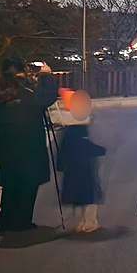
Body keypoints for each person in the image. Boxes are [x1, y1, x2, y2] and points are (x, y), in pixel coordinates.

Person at [0, 58, 59, 232]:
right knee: (28, 185)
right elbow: (47, 96)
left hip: (6, 147)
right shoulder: (28, 91)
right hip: (29, 147)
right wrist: (46, 76)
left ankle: (5, 220)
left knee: (11, 183)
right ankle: (21, 222)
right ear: (21, 71)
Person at [57, 91, 106, 233]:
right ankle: (89, 223)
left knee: (76, 198)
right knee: (89, 197)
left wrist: (60, 164)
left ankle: (77, 222)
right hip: (85, 171)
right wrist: (102, 150)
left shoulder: (68, 133)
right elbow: (87, 147)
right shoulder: (81, 130)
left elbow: (63, 151)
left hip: (71, 171)